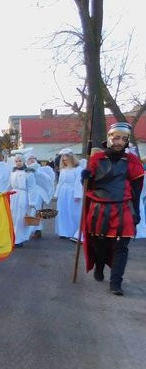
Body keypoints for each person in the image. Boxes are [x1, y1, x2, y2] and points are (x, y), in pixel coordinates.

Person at [82, 122, 144, 296]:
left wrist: (137, 212)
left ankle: (116, 283)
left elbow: (137, 190)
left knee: (121, 248)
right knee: (100, 246)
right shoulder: (96, 159)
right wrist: (85, 178)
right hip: (99, 209)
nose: (119, 142)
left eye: (123, 139)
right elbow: (88, 187)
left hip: (123, 208)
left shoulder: (132, 161)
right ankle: (99, 266)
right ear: (109, 138)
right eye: (116, 138)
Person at [8, 153, 37, 247]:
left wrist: (32, 202)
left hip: (23, 196)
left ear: (24, 161)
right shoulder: (13, 173)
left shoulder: (28, 173)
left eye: (20, 161)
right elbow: (9, 185)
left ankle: (19, 239)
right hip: (14, 196)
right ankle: (13, 237)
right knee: (13, 216)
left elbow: (32, 188)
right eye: (16, 161)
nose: (18, 163)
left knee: (21, 217)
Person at [54, 148, 83, 239]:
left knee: (73, 212)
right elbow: (60, 182)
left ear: (71, 159)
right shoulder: (63, 170)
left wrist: (77, 195)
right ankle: (63, 232)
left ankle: (74, 232)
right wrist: (57, 194)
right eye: (63, 160)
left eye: (66, 160)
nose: (65, 161)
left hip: (73, 192)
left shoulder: (78, 169)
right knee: (63, 211)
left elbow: (78, 182)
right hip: (64, 192)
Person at [25, 151, 55, 239]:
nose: (32, 160)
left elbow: (46, 179)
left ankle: (37, 230)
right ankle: (27, 230)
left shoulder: (40, 169)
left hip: (37, 193)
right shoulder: (24, 169)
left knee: (36, 210)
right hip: (27, 192)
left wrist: (36, 172)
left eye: (33, 158)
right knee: (27, 211)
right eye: (29, 159)